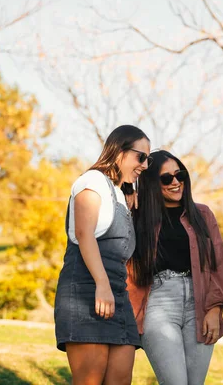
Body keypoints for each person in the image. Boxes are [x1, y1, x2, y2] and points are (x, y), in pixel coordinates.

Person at [54, 125, 152, 385]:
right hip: (88, 293)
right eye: (140, 157)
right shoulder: (92, 182)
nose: (144, 165)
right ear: (119, 151)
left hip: (117, 297)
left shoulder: (120, 194)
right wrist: (102, 284)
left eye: (148, 159)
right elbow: (84, 234)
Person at [127, 150, 223, 385]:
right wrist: (128, 194)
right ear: (152, 183)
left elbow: (218, 263)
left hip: (200, 302)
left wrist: (215, 308)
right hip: (160, 303)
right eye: (166, 178)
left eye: (179, 175)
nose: (175, 182)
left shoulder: (202, 214)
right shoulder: (139, 216)